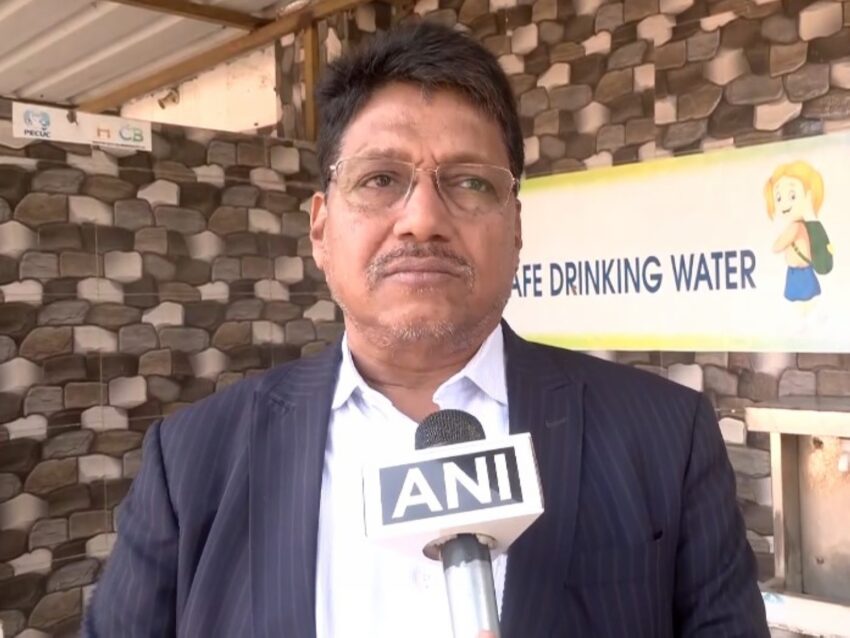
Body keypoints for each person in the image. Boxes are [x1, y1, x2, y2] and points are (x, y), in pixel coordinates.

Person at [83, 22, 770, 638]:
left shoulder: (665, 438)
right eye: (380, 179)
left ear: (516, 226)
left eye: (469, 183)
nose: (422, 220)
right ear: (320, 228)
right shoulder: (192, 461)